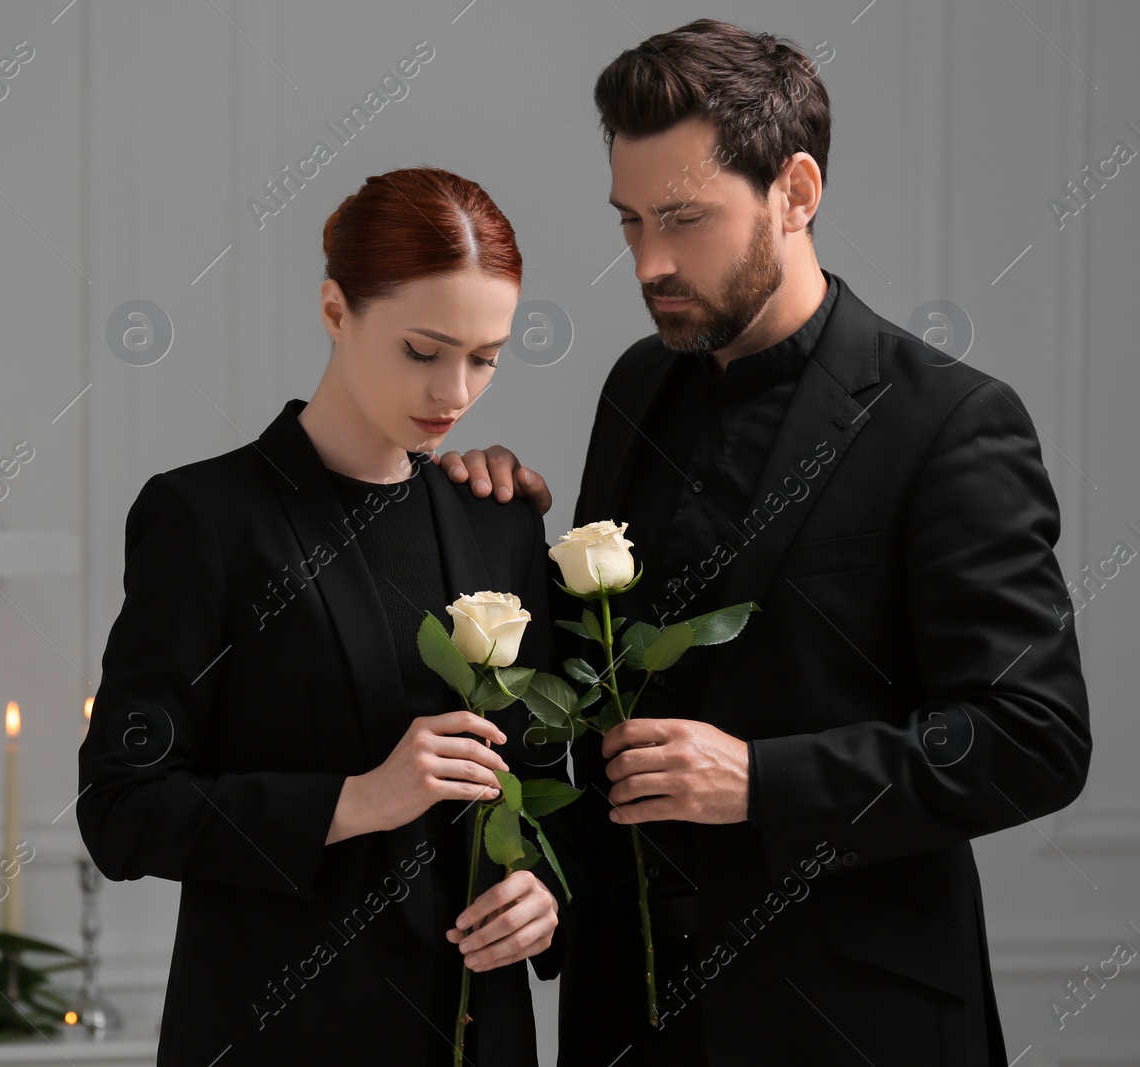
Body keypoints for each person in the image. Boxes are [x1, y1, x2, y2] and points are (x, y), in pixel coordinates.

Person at [438, 19, 1091, 1067]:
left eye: (685, 219)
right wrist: (492, 516)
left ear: (795, 190)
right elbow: (583, 674)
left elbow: (1032, 736)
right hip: (628, 1015)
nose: (649, 262)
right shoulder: (635, 385)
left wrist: (761, 779)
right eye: (630, 221)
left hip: (852, 1021)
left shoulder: (951, 420)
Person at [77, 166, 575, 1065]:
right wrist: (355, 801)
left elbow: (546, 789)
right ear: (336, 308)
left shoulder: (501, 521)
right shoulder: (208, 519)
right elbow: (120, 807)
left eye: (485, 357)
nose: (454, 393)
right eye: (423, 351)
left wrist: (545, 892)